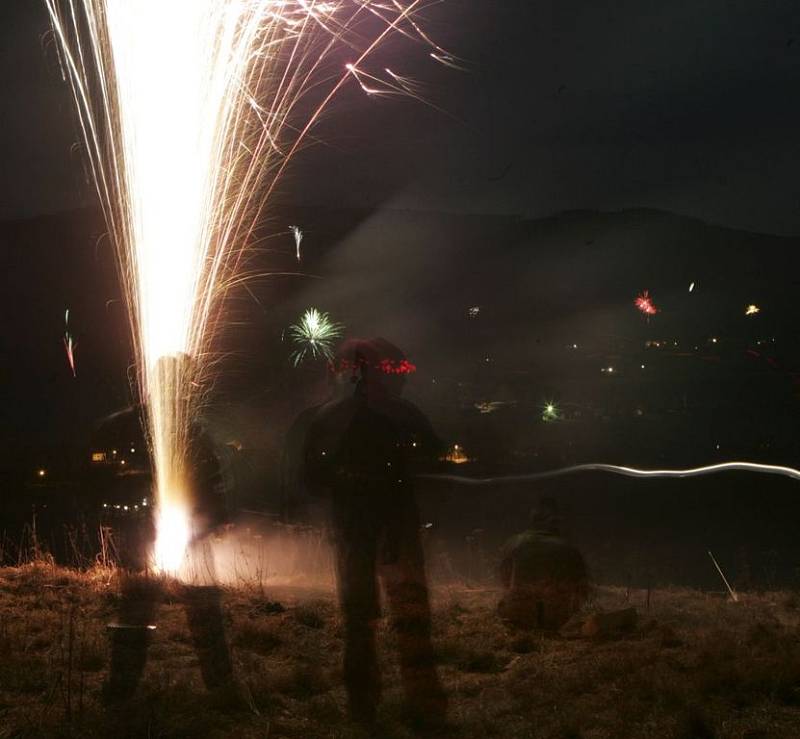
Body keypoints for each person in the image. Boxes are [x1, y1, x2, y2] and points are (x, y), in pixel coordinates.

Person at [302, 338, 447, 729]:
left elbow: (311, 478)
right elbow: (436, 456)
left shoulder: (328, 416)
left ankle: (363, 708)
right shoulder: (403, 413)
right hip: (394, 528)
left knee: (359, 619)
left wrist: (345, 484)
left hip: (355, 528)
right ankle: (422, 707)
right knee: (410, 616)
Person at [103, 356, 237, 704]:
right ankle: (124, 689)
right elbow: (107, 477)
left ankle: (123, 690)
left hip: (181, 532)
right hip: (151, 532)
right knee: (146, 610)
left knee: (186, 609)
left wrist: (212, 517)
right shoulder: (148, 426)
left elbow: (211, 478)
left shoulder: (185, 427)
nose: (186, 389)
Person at [498, 496, 589, 630]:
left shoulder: (513, 543)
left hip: (517, 618)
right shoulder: (568, 548)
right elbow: (582, 589)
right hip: (556, 621)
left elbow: (504, 581)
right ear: (555, 522)